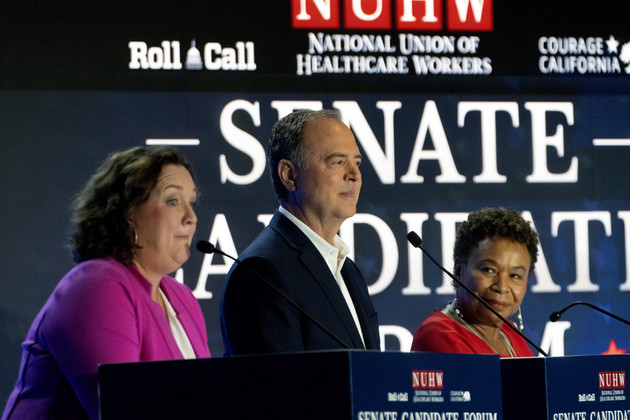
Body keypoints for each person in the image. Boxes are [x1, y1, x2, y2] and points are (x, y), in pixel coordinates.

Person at [2, 146, 211, 420]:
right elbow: (125, 412)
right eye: (172, 201)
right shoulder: (96, 287)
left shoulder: (181, 297)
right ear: (128, 215)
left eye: (191, 202)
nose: (191, 217)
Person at [220, 109, 380, 355]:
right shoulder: (262, 273)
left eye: (356, 162)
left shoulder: (347, 270)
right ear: (289, 175)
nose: (355, 175)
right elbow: (279, 387)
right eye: (338, 162)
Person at [410, 207, 538, 357]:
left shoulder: (510, 333)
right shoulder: (438, 334)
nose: (501, 287)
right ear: (458, 271)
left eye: (515, 275)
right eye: (488, 269)